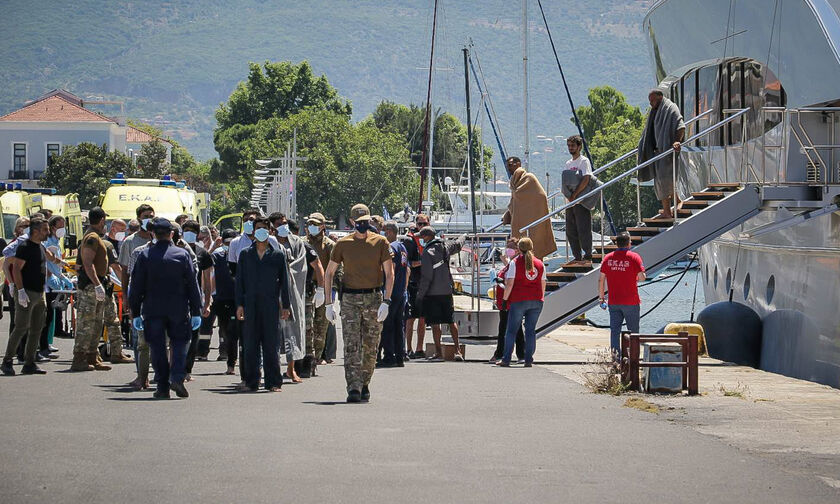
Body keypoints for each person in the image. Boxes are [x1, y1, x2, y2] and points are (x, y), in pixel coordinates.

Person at [324, 203, 394, 403]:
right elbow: (329, 273)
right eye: (359, 222)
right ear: (352, 222)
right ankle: (353, 387)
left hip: (373, 298)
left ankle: (364, 382)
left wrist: (387, 301)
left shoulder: (380, 242)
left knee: (371, 345)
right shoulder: (343, 244)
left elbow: (390, 273)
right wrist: (329, 303)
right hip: (350, 299)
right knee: (352, 345)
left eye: (366, 222)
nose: (363, 225)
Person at [129, 218, 202, 399]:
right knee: (179, 344)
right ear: (172, 234)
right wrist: (196, 311)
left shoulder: (145, 255)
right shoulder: (182, 255)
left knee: (157, 348)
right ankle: (177, 377)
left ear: (153, 234)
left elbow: (136, 286)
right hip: (178, 308)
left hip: (152, 309)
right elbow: (193, 285)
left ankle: (162, 386)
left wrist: (135, 312)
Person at [234, 216, 292, 392]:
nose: (261, 232)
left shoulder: (277, 254)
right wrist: (239, 305)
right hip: (250, 304)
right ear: (253, 230)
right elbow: (239, 282)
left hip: (271, 304)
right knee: (250, 344)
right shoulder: (245, 254)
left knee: (271, 345)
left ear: (270, 232)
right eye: (258, 228)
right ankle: (252, 381)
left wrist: (286, 306)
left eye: (265, 229)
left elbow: (284, 282)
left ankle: (273, 382)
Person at [1, 217, 50, 375]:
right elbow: (16, 269)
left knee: (37, 328)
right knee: (21, 327)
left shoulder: (40, 246)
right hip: (26, 292)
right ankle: (7, 360)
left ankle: (30, 362)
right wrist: (20, 290)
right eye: (45, 230)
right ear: (35, 231)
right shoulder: (25, 246)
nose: (47, 232)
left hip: (39, 292)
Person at [72, 207, 118, 372]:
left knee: (97, 323)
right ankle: (79, 357)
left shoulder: (95, 237)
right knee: (86, 322)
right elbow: (87, 263)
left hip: (98, 283)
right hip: (91, 286)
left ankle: (92, 355)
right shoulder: (91, 238)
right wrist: (97, 284)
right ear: (102, 221)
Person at [119, 204, 155, 389]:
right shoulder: (130, 243)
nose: (149, 218)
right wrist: (125, 296)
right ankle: (142, 376)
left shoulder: (159, 238)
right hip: (137, 295)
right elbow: (125, 272)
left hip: (157, 297)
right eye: (145, 215)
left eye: (151, 215)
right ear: (139, 218)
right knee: (138, 337)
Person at [416, 226, 464, 362]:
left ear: (426, 237)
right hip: (447, 290)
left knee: (435, 323)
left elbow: (427, 277)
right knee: (450, 320)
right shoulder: (445, 246)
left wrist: (420, 295)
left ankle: (438, 353)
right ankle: (457, 350)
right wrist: (464, 236)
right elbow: (458, 244)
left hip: (432, 293)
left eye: (421, 237)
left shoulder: (427, 252)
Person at [637, 88, 686, 219]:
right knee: (661, 181)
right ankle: (670, 208)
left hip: (668, 151)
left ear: (660, 97)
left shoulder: (670, 108)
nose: (651, 103)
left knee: (664, 180)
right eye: (650, 101)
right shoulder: (656, 111)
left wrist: (676, 141)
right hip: (658, 152)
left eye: (652, 100)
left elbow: (681, 126)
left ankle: (672, 207)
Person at [271, 212, 307, 382]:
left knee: (293, 329)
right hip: (271, 294)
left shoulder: (297, 242)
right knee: (272, 333)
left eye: (284, 223)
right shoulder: (269, 243)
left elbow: (300, 266)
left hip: (291, 293)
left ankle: (291, 369)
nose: (283, 226)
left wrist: (285, 271)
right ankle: (273, 369)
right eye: (279, 223)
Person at [498, 237, 546, 367]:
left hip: (519, 300)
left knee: (511, 330)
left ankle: (506, 358)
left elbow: (510, 284)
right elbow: (543, 283)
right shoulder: (540, 264)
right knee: (530, 330)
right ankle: (528, 359)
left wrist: (504, 300)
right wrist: (541, 298)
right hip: (536, 300)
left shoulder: (515, 263)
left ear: (519, 249)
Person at [598, 232, 646, 358]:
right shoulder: (634, 257)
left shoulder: (608, 258)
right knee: (633, 332)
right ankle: (632, 359)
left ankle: (616, 359)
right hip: (631, 301)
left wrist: (601, 298)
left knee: (615, 331)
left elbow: (601, 279)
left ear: (616, 244)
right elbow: (642, 278)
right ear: (629, 243)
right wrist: (633, 276)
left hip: (614, 301)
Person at [502, 156, 557, 260]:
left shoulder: (529, 178)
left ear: (518, 164)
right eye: (507, 166)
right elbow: (514, 201)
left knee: (534, 244)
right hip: (518, 221)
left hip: (533, 219)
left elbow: (540, 196)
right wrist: (508, 213)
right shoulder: (514, 182)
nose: (508, 168)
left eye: (510, 165)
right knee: (518, 244)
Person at [304, 212, 336, 367]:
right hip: (306, 287)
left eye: (316, 224)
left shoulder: (329, 245)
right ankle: (307, 357)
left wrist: (328, 289)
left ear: (323, 226)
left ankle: (317, 356)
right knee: (306, 325)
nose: (312, 227)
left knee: (321, 324)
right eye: (310, 224)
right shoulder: (302, 242)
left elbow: (335, 268)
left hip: (323, 288)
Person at [181, 219, 214, 364]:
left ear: (198, 234)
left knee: (194, 335)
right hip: (177, 299)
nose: (189, 234)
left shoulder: (203, 254)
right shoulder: (177, 250)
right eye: (186, 231)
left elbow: (207, 282)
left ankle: (187, 369)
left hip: (194, 300)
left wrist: (207, 304)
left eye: (193, 232)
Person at [490, 237, 525, 363]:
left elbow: (512, 282)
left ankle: (501, 354)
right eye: (507, 247)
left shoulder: (516, 263)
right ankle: (521, 354)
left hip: (510, 301)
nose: (508, 249)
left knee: (505, 329)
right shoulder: (511, 263)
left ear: (517, 250)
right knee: (515, 329)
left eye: (511, 247)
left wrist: (501, 282)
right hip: (506, 300)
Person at [562, 135, 596, 264]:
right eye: (569, 145)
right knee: (571, 230)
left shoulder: (584, 161)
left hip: (581, 201)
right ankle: (577, 256)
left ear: (579, 146)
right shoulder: (568, 163)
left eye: (573, 145)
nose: (571, 148)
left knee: (583, 229)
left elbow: (586, 178)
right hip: (570, 202)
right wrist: (568, 195)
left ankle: (587, 255)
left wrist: (575, 194)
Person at [378, 221, 408, 367]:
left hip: (391, 291)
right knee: (398, 324)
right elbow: (407, 270)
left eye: (384, 231)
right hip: (400, 291)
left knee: (388, 325)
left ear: (389, 232)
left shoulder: (391, 248)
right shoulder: (402, 247)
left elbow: (390, 270)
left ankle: (389, 356)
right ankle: (400, 355)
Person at [402, 214, 429, 359]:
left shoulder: (431, 240)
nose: (422, 227)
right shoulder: (410, 241)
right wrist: (424, 261)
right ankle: (408, 348)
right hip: (413, 283)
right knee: (410, 318)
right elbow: (408, 263)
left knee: (423, 318)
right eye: (419, 224)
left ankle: (419, 348)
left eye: (424, 224)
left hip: (426, 284)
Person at [214, 229, 240, 375]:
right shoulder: (217, 255)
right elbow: (207, 270)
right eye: (226, 243)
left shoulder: (241, 254)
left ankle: (233, 363)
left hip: (237, 300)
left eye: (231, 243)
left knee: (234, 331)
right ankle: (230, 361)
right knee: (226, 332)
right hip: (221, 298)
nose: (228, 246)